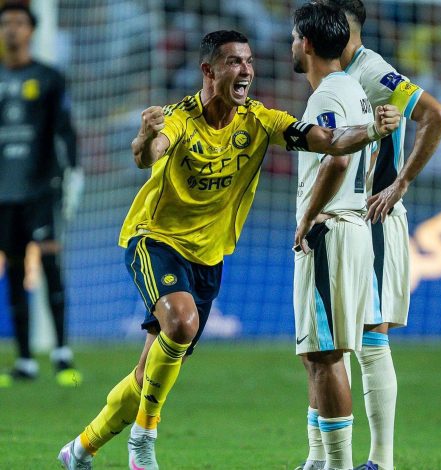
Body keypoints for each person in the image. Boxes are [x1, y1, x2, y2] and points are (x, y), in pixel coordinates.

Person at [57, 29, 400, 470]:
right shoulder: (180, 117)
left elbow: (328, 141)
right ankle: (144, 437)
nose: (246, 70)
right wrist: (144, 137)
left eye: (249, 61)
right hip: (155, 241)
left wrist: (372, 129)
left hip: (208, 258)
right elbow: (149, 154)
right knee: (181, 323)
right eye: (235, 62)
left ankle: (80, 449)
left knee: (147, 373)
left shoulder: (259, 120)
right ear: (209, 70)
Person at [294, 1, 441, 470]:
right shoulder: (342, 78)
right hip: (356, 216)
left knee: (367, 339)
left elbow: (437, 115)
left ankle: (380, 460)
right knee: (330, 344)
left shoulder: (372, 71)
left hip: (373, 214)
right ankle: (319, 456)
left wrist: (400, 183)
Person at [290, 3, 382, 470]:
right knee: (317, 354)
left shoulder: (326, 96)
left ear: (306, 43)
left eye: (294, 37)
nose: (291, 45)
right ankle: (319, 460)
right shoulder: (353, 89)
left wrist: (307, 217)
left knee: (325, 355)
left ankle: (339, 465)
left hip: (329, 230)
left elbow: (338, 158)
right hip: (351, 227)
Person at [0, 3, 83, 386]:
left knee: (49, 263)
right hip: (4, 192)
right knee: (16, 270)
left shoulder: (49, 78)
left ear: (31, 30)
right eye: (6, 23)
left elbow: (65, 129)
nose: (11, 29)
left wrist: (73, 173)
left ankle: (62, 353)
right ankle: (24, 360)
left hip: (41, 188)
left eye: (19, 23)